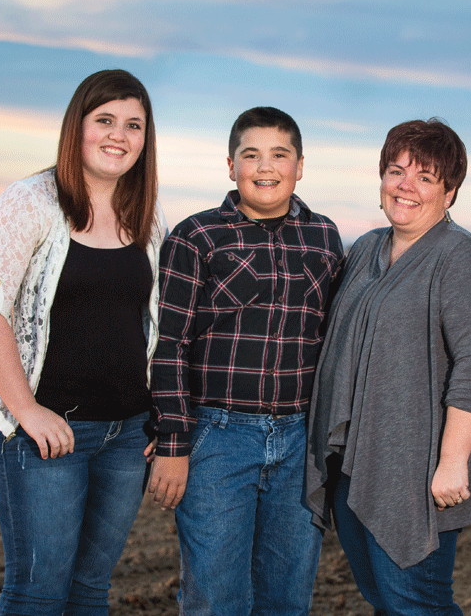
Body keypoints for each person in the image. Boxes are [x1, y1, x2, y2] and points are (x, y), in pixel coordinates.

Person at [0, 69, 166, 616]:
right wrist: (26, 409)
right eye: (105, 120)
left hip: (126, 437)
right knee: (37, 592)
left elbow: (158, 325)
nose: (118, 135)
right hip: (44, 435)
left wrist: (159, 418)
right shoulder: (29, 201)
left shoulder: (146, 215)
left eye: (133, 125)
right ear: (77, 126)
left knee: (89, 591)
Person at [147, 106, 344, 616]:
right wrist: (173, 441)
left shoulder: (324, 238)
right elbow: (168, 345)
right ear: (230, 165)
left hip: (300, 439)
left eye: (280, 155)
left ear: (300, 166)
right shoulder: (197, 237)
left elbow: (332, 339)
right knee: (216, 596)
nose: (266, 166)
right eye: (251, 154)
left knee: (287, 594)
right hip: (218, 436)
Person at [305, 118, 471, 615]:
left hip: (419, 468)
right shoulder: (369, 248)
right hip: (355, 460)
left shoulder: (466, 258)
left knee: (416, 602)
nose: (405, 187)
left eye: (426, 178)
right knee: (384, 599)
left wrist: (454, 459)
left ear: (450, 192)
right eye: (396, 171)